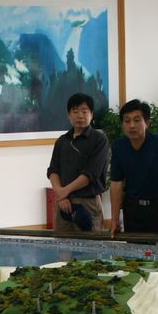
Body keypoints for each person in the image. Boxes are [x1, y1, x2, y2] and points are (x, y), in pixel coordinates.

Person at [109, 99, 158, 238]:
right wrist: (114, 220)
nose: (132, 125)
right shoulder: (119, 147)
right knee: (133, 250)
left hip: (157, 207)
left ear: (147, 123)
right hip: (132, 209)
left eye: (137, 120)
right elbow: (116, 184)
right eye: (127, 121)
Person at [47, 93, 109, 234]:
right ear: (68, 115)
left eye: (84, 111)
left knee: (90, 245)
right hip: (63, 203)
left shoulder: (99, 140)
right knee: (62, 245)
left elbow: (90, 174)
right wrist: (60, 194)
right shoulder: (62, 141)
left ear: (92, 114)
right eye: (75, 112)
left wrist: (64, 192)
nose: (80, 116)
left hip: (88, 203)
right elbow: (53, 170)